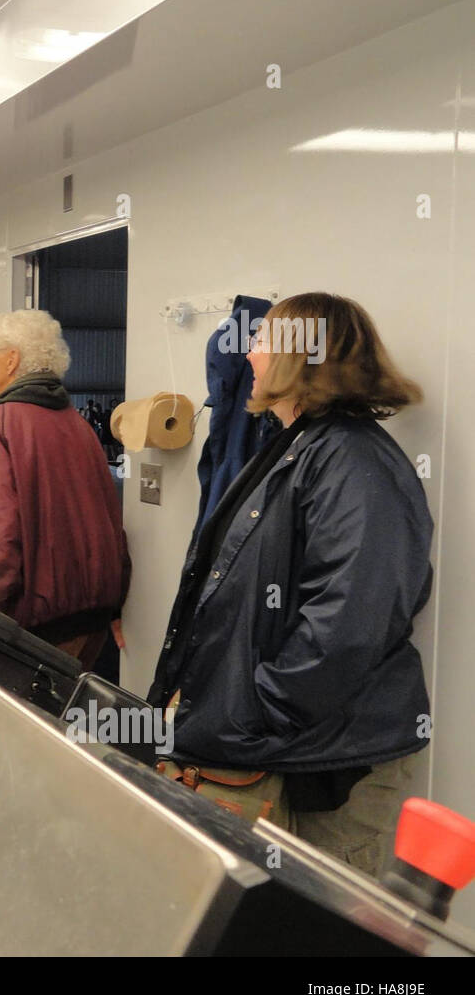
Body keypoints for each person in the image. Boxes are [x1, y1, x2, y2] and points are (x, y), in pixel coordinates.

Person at [148, 292, 432, 877]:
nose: (248, 355)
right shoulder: (298, 444)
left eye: (261, 341)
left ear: (299, 359)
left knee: (322, 936)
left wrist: (252, 710)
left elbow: (351, 623)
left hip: (327, 764)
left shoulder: (355, 462)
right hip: (291, 745)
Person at [0, 310, 130, 669]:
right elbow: (111, 524)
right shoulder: (77, 425)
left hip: (27, 630)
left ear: (13, 359)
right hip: (88, 626)